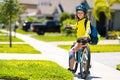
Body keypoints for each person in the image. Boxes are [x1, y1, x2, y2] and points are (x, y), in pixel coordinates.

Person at [67, 3, 91, 74]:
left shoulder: (87, 21)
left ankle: (71, 69)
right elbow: (75, 26)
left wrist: (86, 34)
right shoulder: (79, 22)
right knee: (83, 53)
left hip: (83, 39)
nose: (79, 14)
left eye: (81, 13)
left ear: (85, 14)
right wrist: (70, 26)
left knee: (71, 52)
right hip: (83, 40)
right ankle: (86, 69)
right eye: (78, 13)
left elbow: (88, 28)